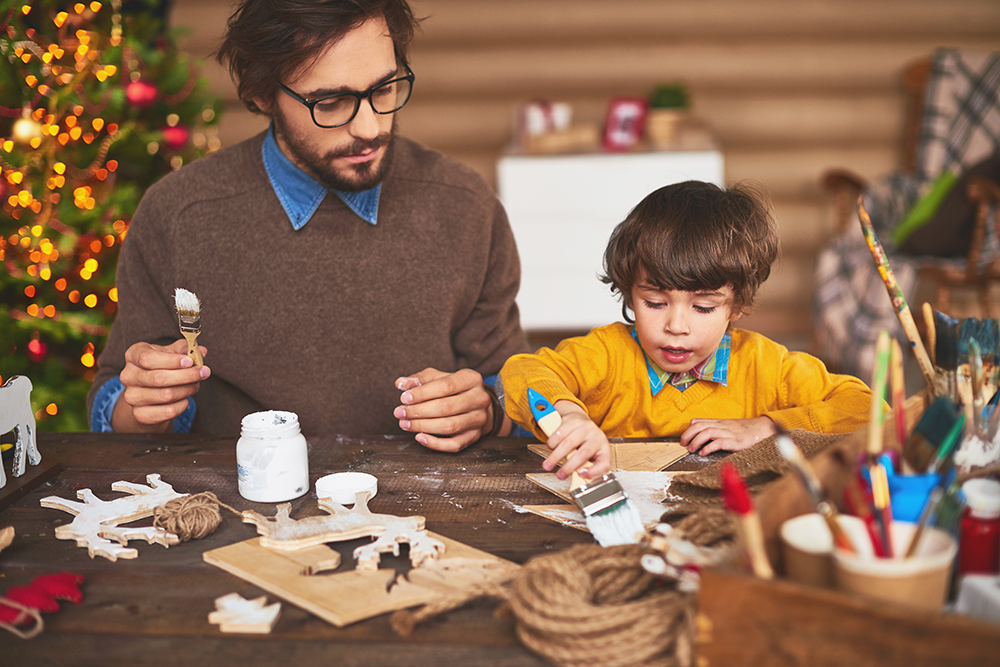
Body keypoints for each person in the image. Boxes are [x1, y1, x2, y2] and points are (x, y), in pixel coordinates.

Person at [87, 0, 528, 450]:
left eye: (384, 89)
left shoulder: (466, 204)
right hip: (237, 504)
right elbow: (117, 403)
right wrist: (145, 407)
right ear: (262, 94)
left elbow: (517, 387)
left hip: (424, 506)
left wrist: (489, 410)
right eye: (331, 102)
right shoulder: (177, 211)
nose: (370, 127)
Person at [498, 180, 874, 479]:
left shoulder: (765, 366)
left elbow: (870, 408)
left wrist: (767, 427)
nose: (676, 326)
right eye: (655, 303)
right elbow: (522, 370)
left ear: (737, 305)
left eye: (704, 307)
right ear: (629, 294)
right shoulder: (607, 354)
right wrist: (569, 416)